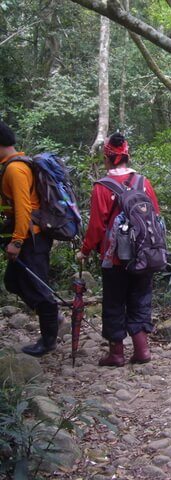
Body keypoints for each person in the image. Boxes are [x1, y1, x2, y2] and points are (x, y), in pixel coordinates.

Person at [76, 132, 160, 367]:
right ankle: (142, 350)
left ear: (107, 159)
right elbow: (156, 216)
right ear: (127, 156)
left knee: (114, 302)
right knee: (140, 299)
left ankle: (117, 354)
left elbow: (96, 227)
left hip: (114, 259)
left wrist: (84, 250)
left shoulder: (102, 187)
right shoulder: (144, 183)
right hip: (144, 255)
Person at [0, 120, 60, 356]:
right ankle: (53, 320)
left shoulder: (15, 169)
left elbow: (24, 209)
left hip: (31, 238)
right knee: (13, 282)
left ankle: (48, 340)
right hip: (29, 236)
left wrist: (16, 242)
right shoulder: (14, 165)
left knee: (39, 289)